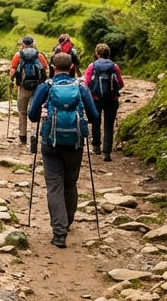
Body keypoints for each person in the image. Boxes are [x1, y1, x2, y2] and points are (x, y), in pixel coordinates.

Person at [28, 52, 100, 248]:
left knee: (54, 186)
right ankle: (67, 222)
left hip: (50, 143)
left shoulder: (46, 87)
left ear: (52, 66)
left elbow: (32, 116)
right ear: (71, 67)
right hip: (75, 144)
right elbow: (94, 116)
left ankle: (59, 234)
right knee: (70, 183)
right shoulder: (80, 87)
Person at [83, 43, 124, 162]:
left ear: (97, 53)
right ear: (108, 53)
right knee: (109, 125)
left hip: (96, 98)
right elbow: (121, 83)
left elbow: (86, 83)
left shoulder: (92, 66)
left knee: (96, 121)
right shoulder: (114, 66)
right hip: (111, 99)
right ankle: (107, 152)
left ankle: (96, 146)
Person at [9, 35, 47, 145]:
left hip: (23, 87)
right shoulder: (39, 55)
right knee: (40, 110)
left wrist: (11, 81)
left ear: (23, 44)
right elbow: (45, 69)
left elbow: (13, 70)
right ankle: (40, 133)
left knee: (22, 111)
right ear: (33, 44)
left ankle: (23, 135)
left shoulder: (18, 55)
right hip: (37, 87)